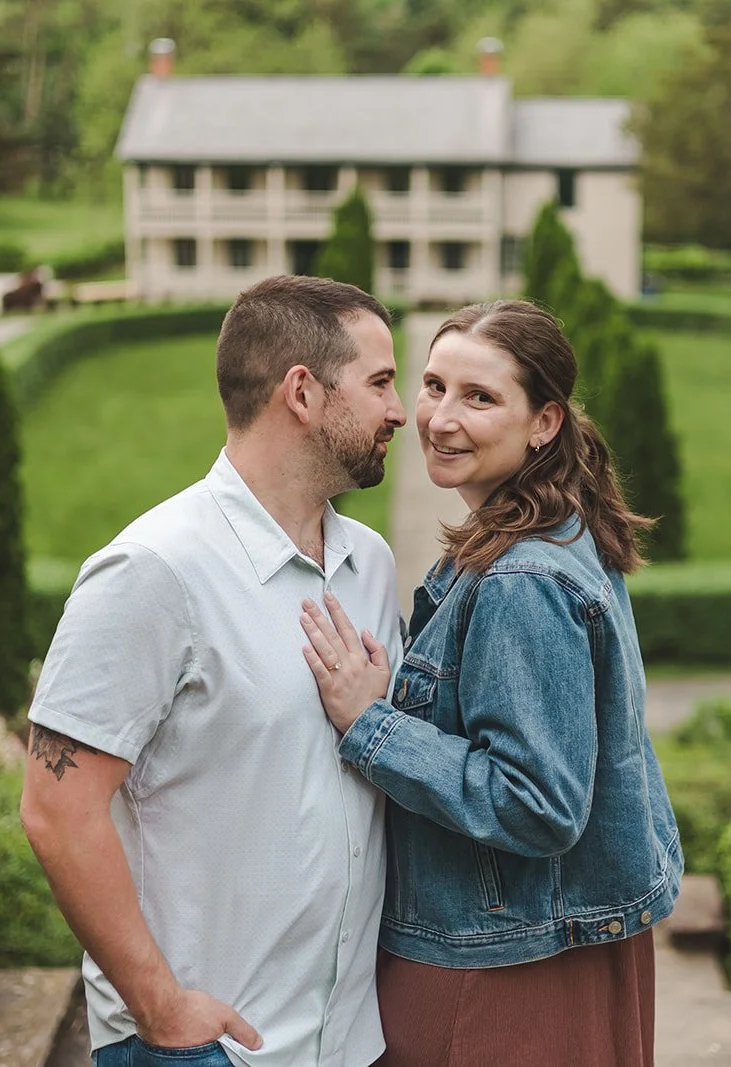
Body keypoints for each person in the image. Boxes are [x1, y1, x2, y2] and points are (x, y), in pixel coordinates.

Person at [19, 275, 408, 1067]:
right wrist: (161, 1009)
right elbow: (55, 808)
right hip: (208, 1051)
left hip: (350, 1046)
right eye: (380, 383)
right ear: (303, 393)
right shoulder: (154, 569)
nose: (400, 410)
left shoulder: (370, 563)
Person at [296, 299, 682, 1066]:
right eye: (434, 386)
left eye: (480, 398)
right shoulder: (556, 529)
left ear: (544, 423)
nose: (439, 418)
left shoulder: (522, 579)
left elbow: (540, 802)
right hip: (545, 946)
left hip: (499, 970)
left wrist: (371, 725)